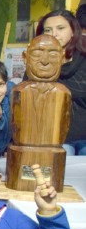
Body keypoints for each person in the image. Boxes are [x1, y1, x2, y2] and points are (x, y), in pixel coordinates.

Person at [36, 10, 86, 155]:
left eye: (60, 28)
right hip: (54, 136)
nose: (54, 34)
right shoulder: (36, 63)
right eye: (48, 30)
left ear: (73, 31)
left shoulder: (84, 59)